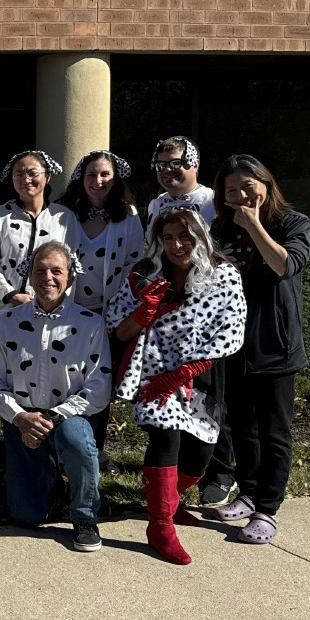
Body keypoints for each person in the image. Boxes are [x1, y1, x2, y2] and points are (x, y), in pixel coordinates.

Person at [108, 210, 246, 565]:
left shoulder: (223, 275)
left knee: (201, 454)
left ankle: (166, 498)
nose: (176, 245)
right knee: (165, 439)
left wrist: (189, 370)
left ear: (200, 236)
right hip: (152, 374)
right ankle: (160, 524)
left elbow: (232, 329)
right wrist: (143, 314)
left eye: (184, 236)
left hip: (199, 375)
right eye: (168, 238)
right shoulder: (143, 276)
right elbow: (118, 331)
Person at [207, 155, 310, 544]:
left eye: (247, 187)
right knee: (241, 426)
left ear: (266, 184)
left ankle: (268, 510)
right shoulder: (220, 229)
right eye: (230, 190)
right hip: (232, 345)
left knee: (274, 432)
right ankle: (249, 493)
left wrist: (252, 226)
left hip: (275, 345)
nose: (239, 196)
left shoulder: (292, 223)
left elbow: (286, 265)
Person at [0, 242, 109, 552]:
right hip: (22, 417)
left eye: (56, 271)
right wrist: (19, 417)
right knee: (26, 516)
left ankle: (84, 514)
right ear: (29, 275)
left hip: (69, 416)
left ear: (70, 277)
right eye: (39, 270)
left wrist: (55, 416)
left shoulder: (90, 324)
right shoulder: (7, 322)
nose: (47, 277)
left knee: (77, 440)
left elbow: (99, 385)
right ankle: (47, 476)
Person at [59, 150, 145, 470]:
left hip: (106, 314)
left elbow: (133, 264)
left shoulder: (128, 215)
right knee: (65, 380)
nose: (98, 181)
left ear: (115, 178)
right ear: (81, 180)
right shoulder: (64, 212)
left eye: (104, 174)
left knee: (99, 383)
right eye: (91, 175)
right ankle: (65, 445)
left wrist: (120, 310)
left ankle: (95, 449)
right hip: (67, 312)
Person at [0, 150, 80, 319]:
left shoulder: (64, 217)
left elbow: (71, 265)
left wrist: (56, 302)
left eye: (32, 173)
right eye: (19, 174)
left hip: (51, 309)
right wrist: (11, 295)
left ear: (47, 176)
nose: (26, 179)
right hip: (5, 307)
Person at [146, 136, 217, 225]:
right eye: (161, 164)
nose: (167, 169)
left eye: (176, 163)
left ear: (195, 165)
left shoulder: (213, 201)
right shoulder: (156, 205)